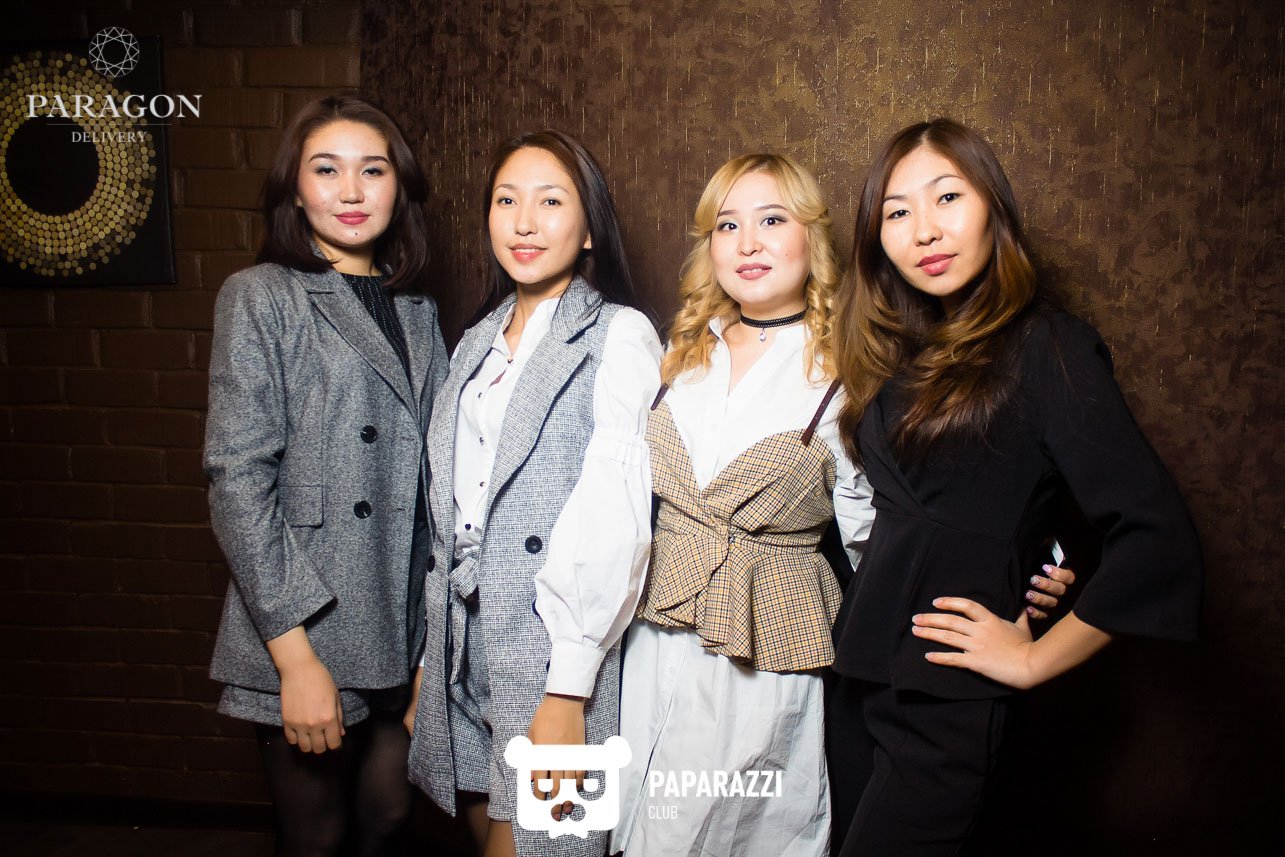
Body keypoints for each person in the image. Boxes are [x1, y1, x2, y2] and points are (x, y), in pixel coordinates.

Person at [609, 153, 1071, 857]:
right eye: (727, 225)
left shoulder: (848, 370)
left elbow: (895, 527)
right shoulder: (677, 350)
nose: (748, 242)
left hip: (763, 649)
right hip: (649, 641)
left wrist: (1029, 571)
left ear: (812, 237)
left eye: (772, 220)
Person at [826, 118, 1203, 856]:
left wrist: (1033, 658)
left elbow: (1155, 540)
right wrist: (1044, 549)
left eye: (947, 198)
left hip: (951, 700)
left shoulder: (1047, 344)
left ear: (993, 208)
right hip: (864, 677)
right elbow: (977, 488)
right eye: (897, 212)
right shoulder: (902, 356)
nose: (924, 230)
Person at [405, 130, 662, 857]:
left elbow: (617, 516)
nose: (524, 222)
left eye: (551, 202)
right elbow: (451, 514)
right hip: (465, 644)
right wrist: (430, 665)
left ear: (589, 229)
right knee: (482, 826)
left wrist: (567, 689)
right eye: (505, 201)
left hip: (552, 648)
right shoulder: (476, 339)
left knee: (544, 841)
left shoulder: (619, 335)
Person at [205, 95, 447, 857]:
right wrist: (295, 658)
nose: (350, 191)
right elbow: (237, 481)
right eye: (326, 169)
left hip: (398, 620)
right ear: (295, 188)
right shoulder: (261, 295)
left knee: (388, 817)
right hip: (308, 621)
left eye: (372, 170)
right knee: (317, 837)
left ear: (398, 187)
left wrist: (431, 645)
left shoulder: (417, 310)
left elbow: (435, 485)